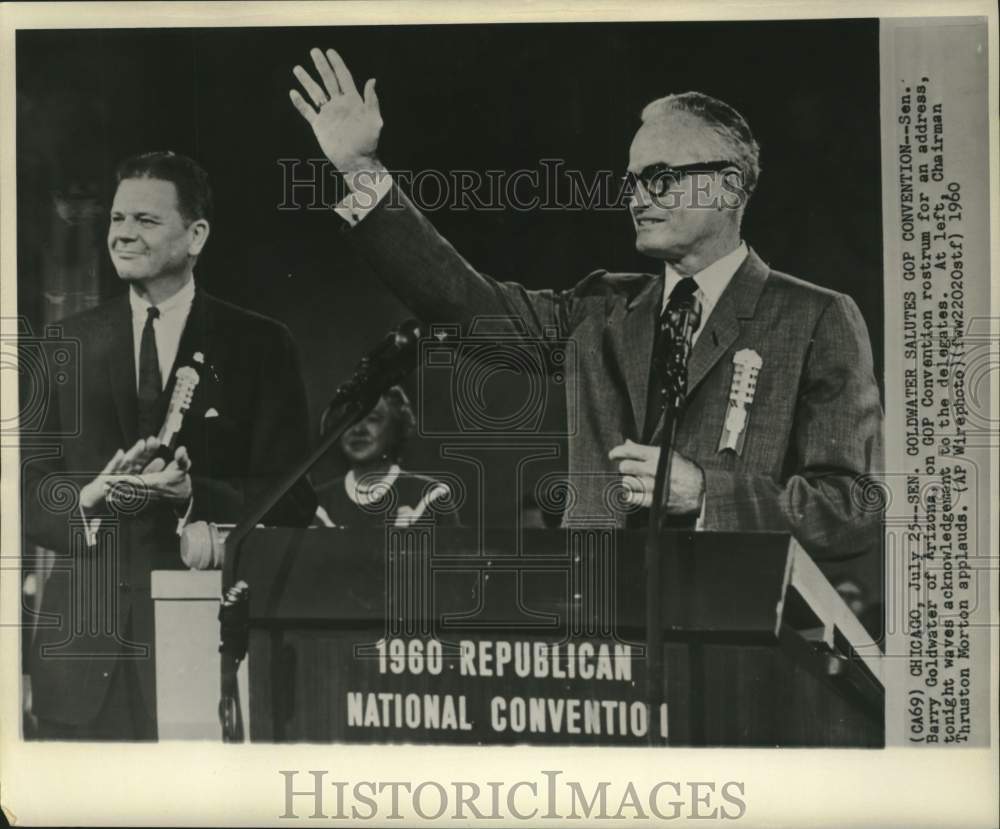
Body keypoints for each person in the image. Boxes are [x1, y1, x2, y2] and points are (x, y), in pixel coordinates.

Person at [288, 48, 883, 558]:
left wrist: (706, 492)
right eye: (631, 180)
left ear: (729, 186)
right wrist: (361, 171)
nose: (636, 197)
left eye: (662, 177)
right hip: (600, 630)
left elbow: (853, 509)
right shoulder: (600, 308)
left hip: (733, 650)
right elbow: (464, 304)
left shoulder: (815, 318)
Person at [23, 151, 317, 740]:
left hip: (201, 657)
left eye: (147, 221)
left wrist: (191, 498)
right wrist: (85, 497)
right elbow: (26, 491)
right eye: (116, 219)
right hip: (78, 668)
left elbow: (291, 501)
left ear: (197, 234)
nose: (124, 234)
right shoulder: (62, 343)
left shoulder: (258, 345)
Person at [315, 386, 459, 527]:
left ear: (395, 428)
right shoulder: (317, 505)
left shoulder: (430, 497)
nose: (358, 429)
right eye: (350, 419)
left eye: (373, 419)